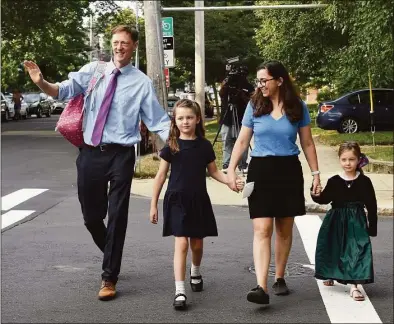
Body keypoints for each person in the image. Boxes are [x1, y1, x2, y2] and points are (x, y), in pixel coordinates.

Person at [24, 25, 170, 301]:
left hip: (121, 155)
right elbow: (61, 91)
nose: (119, 47)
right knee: (92, 217)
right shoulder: (95, 70)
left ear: (134, 46)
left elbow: (158, 120)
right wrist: (40, 82)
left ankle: (109, 276)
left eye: (125, 43)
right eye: (116, 42)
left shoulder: (141, 82)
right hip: (90, 152)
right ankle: (111, 252)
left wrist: (181, 143)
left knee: (117, 214)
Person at [226, 60, 321, 305]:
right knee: (262, 229)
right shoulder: (254, 105)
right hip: (261, 169)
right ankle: (261, 286)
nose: (260, 85)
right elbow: (242, 141)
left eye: (264, 80)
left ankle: (280, 277)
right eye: (259, 80)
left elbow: (307, 143)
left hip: (288, 170)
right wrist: (231, 169)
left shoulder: (297, 106)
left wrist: (316, 174)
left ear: (279, 80)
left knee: (283, 229)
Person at [149, 99, 244, 310]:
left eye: (189, 117)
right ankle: (180, 290)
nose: (185, 121)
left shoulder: (203, 145)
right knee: (181, 243)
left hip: (198, 200)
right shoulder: (171, 145)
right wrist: (154, 204)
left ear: (197, 119)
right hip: (176, 201)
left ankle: (196, 270)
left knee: (197, 245)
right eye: (181, 118)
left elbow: (214, 172)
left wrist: (230, 182)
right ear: (175, 120)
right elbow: (161, 176)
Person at [311, 141, 377, 301]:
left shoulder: (364, 182)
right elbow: (324, 200)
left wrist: (372, 226)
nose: (348, 163)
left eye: (352, 159)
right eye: (344, 159)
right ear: (339, 160)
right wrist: (316, 193)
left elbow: (372, 205)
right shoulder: (334, 181)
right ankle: (330, 273)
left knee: (357, 251)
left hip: (356, 222)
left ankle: (354, 287)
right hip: (336, 221)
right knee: (334, 248)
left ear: (358, 160)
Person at [219, 66, 254, 172]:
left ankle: (242, 164)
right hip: (227, 118)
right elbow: (221, 94)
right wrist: (226, 83)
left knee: (243, 141)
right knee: (227, 141)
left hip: (242, 119)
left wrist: (241, 93)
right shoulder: (227, 84)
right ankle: (226, 164)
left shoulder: (248, 87)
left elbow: (252, 101)